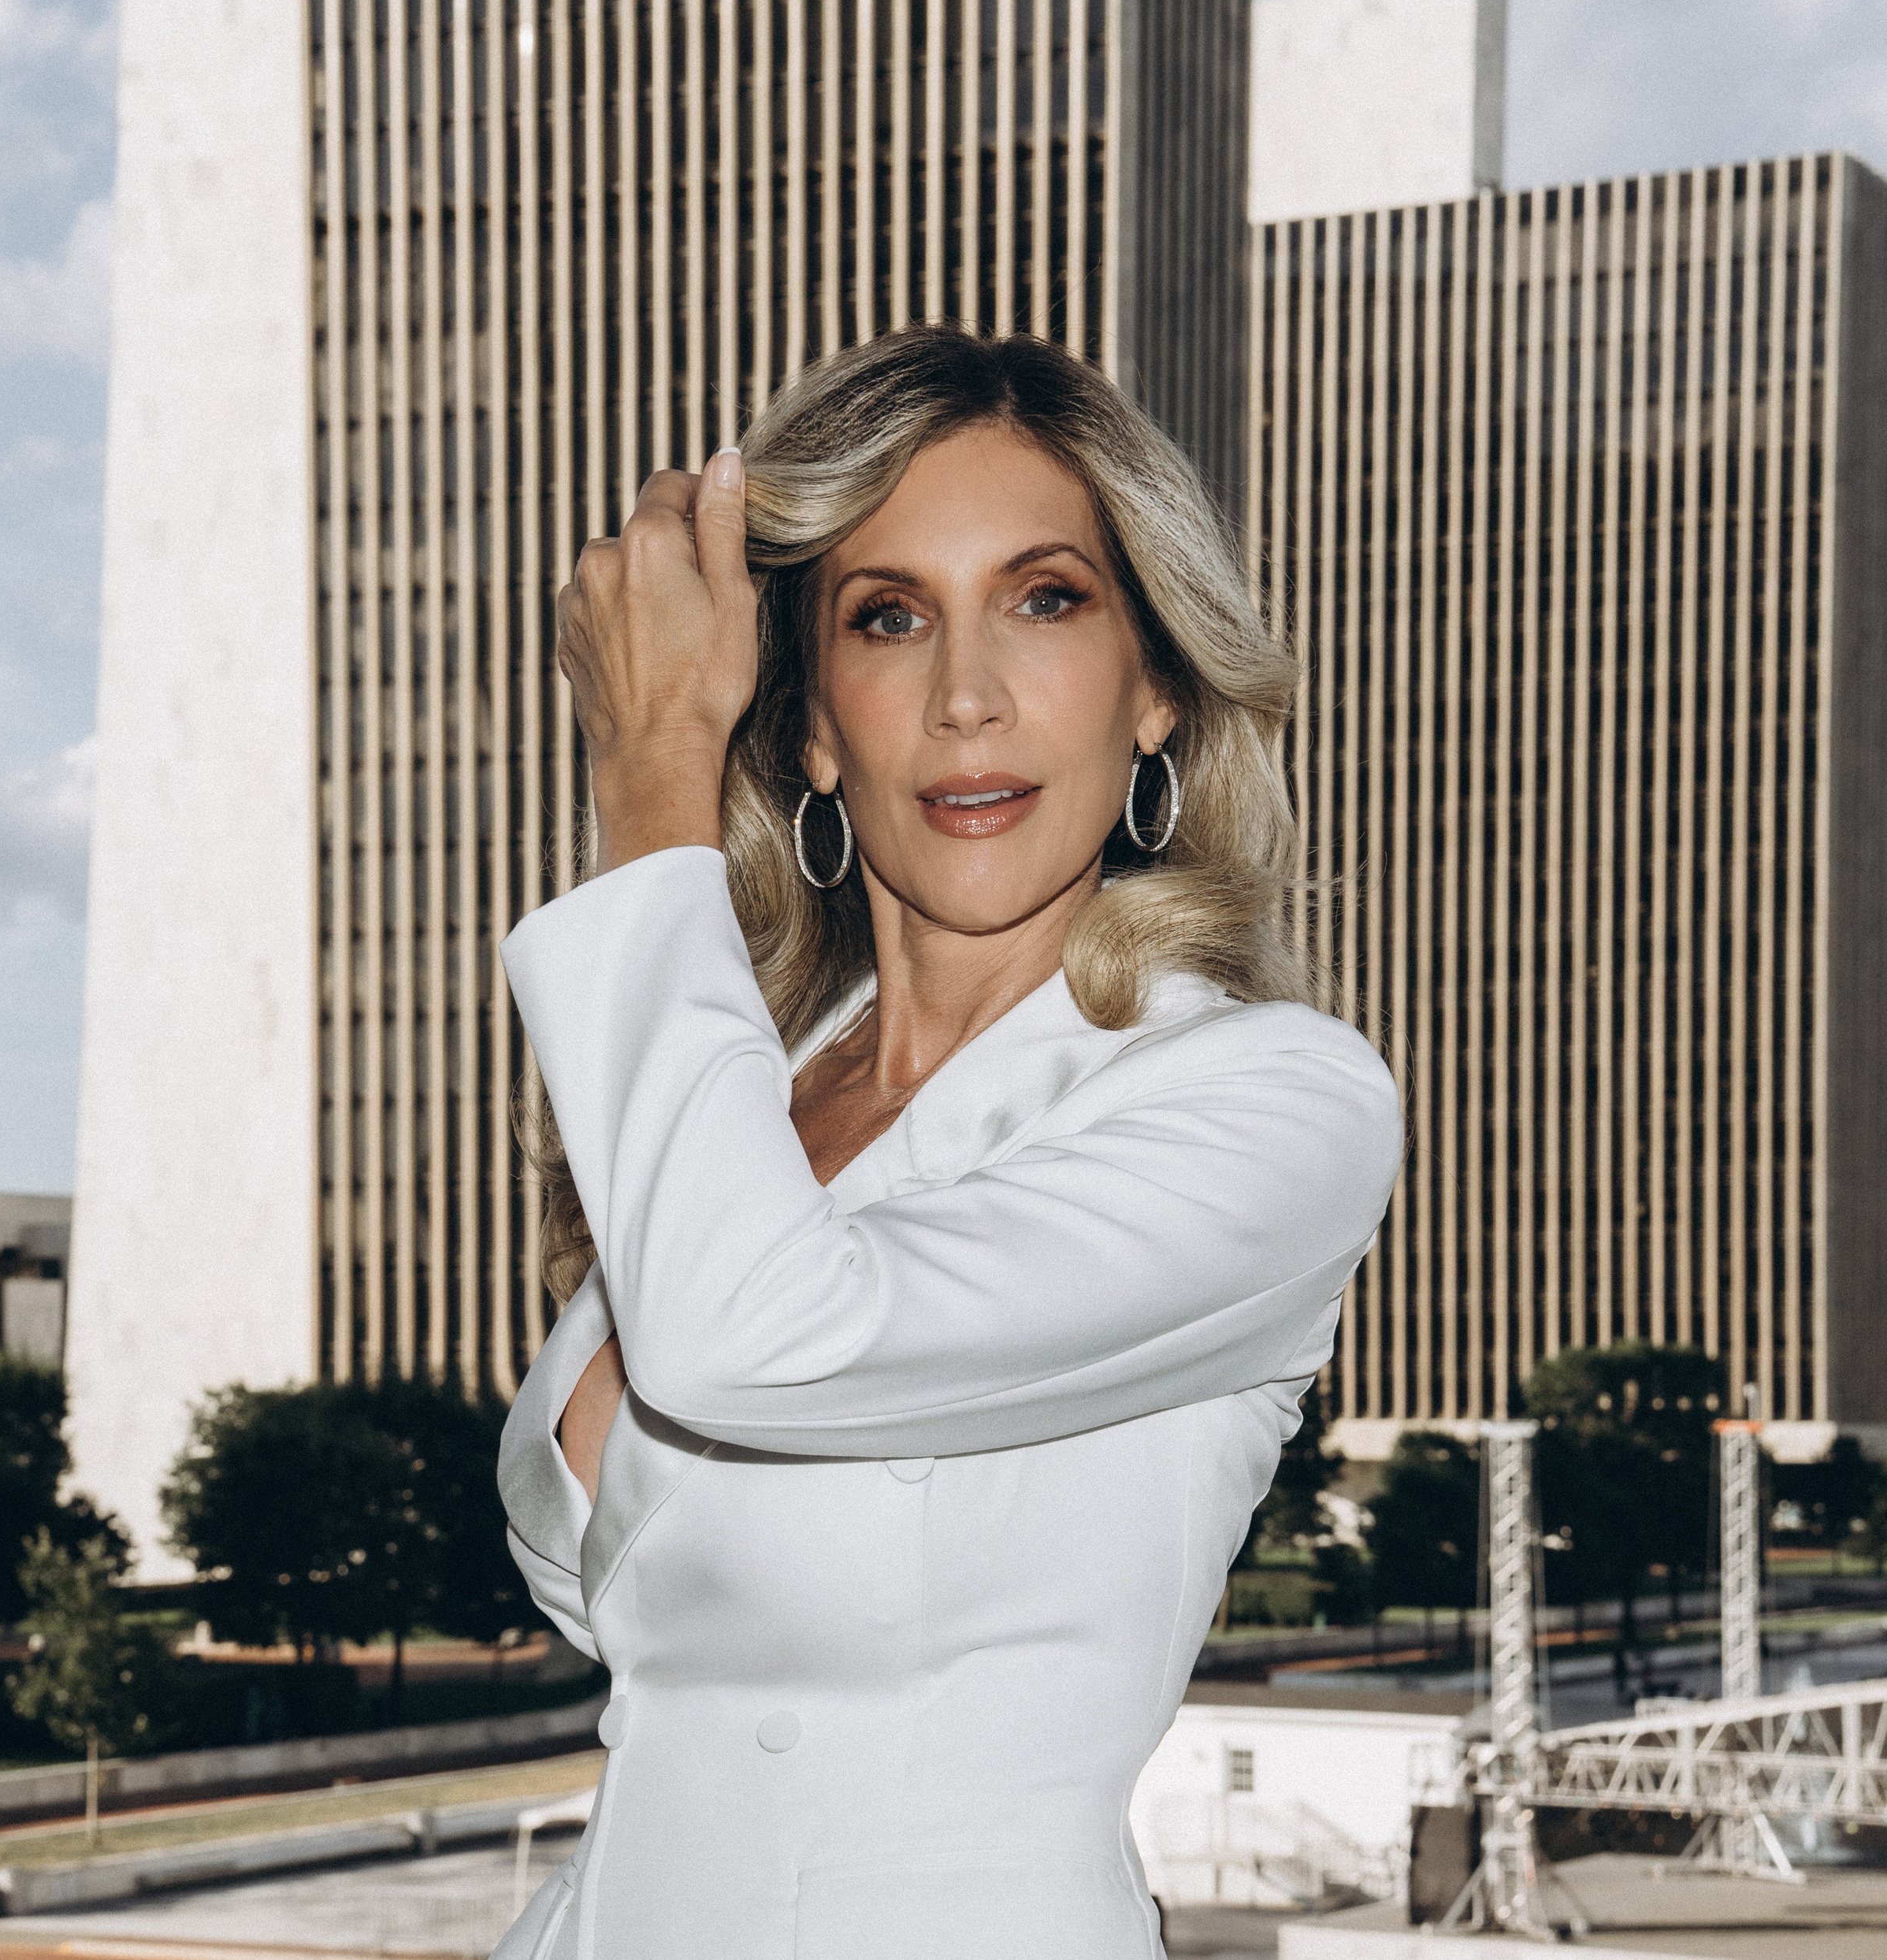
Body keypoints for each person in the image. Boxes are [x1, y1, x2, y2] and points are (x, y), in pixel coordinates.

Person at [492, 327, 1402, 1960]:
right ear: (817, 722)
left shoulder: (1275, 1100)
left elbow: (748, 1343)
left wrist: (649, 789)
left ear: (1153, 690)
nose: (965, 694)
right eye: (886, 616)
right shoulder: (732, 1084)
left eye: (1044, 599)